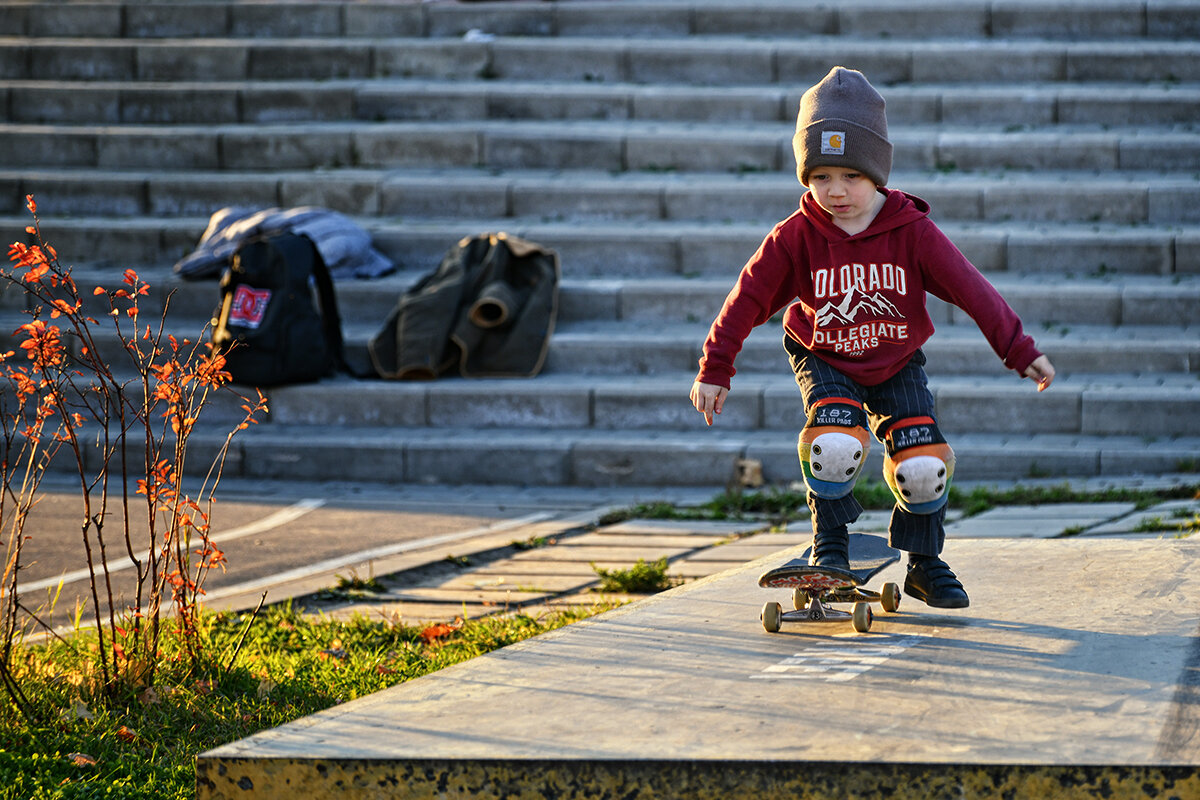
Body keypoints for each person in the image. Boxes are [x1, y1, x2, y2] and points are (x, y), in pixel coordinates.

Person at [689, 66, 1056, 609]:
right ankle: (830, 546)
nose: (834, 192)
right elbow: (746, 299)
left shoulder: (912, 231)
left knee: (923, 466)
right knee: (835, 446)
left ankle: (925, 564)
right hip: (824, 355)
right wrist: (716, 368)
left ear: (877, 172)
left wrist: (1018, 350)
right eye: (819, 178)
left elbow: (972, 289)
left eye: (850, 177)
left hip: (897, 360)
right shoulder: (795, 237)